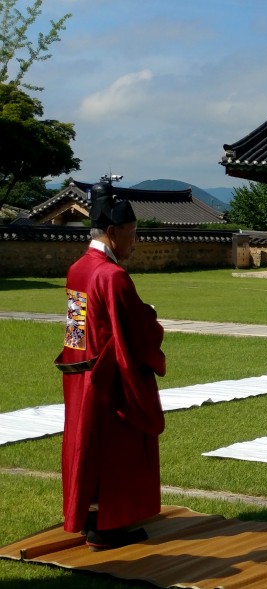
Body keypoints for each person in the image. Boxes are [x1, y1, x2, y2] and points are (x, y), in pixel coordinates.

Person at [55, 180, 165, 550]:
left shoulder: (78, 269)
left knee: (85, 448)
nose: (136, 242)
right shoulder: (113, 276)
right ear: (114, 232)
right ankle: (107, 527)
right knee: (116, 450)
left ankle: (88, 518)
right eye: (133, 234)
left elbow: (75, 331)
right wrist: (152, 318)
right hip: (108, 381)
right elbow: (135, 331)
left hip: (79, 374)